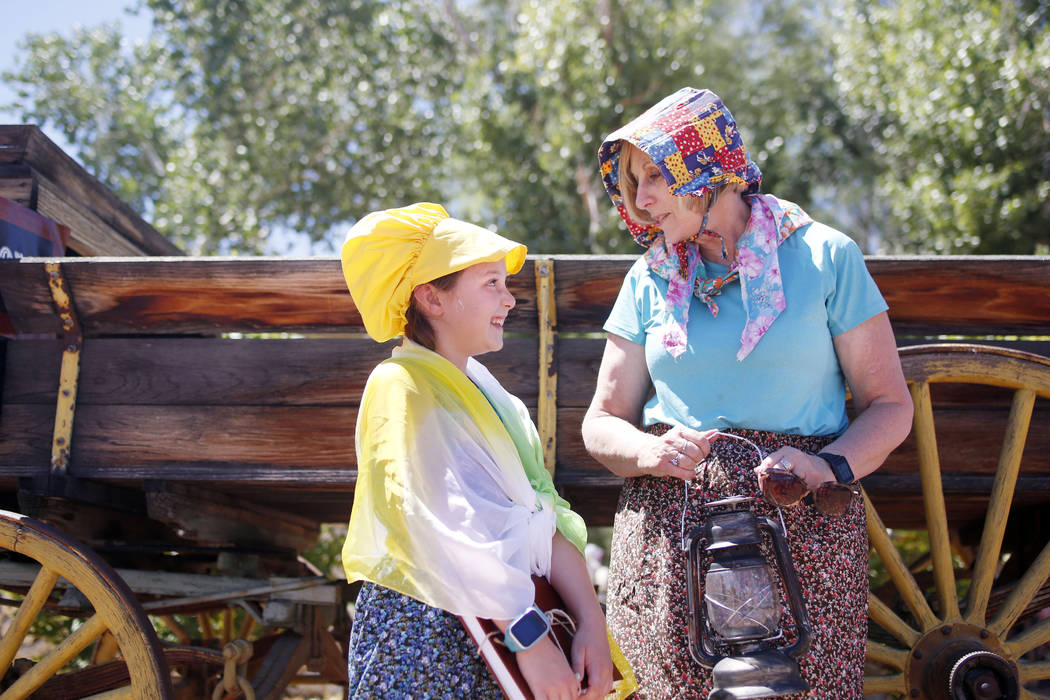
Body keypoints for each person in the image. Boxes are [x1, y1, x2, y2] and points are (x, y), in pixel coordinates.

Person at [581, 87, 914, 697]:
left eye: (656, 173)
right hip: (670, 535)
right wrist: (649, 453)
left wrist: (824, 464)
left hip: (801, 523)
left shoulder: (826, 257)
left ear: (706, 165)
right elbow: (602, 421)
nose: (642, 198)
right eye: (633, 182)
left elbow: (890, 406)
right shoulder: (647, 278)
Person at [340, 203, 625, 700]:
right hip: (427, 634)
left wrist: (591, 624)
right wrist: (531, 640)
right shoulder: (399, 384)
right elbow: (444, 527)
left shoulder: (501, 402)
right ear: (432, 298)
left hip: (503, 631)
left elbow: (544, 515)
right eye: (491, 283)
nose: (509, 299)